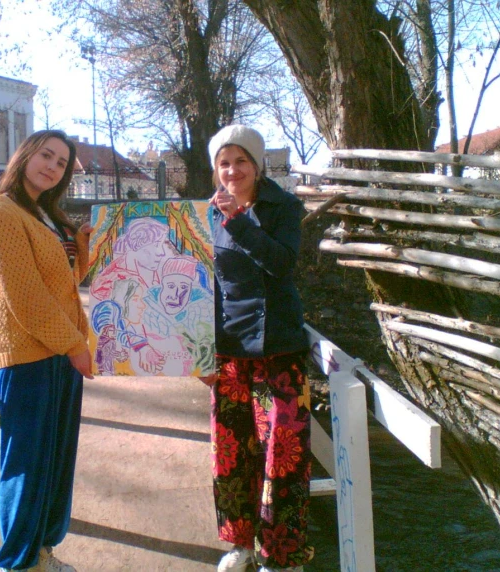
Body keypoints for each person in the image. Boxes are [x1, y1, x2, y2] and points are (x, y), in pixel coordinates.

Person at [0, 130, 93, 572]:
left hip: (59, 354)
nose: (52, 166)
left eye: (62, 162)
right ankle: (17, 562)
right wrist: (75, 346)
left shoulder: (45, 214)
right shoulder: (1, 212)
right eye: (46, 155)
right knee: (25, 463)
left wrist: (80, 246)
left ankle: (41, 551)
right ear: (25, 155)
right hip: (28, 356)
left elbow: (64, 283)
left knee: (55, 459)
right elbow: (25, 295)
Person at [203, 125, 314, 572]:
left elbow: (282, 264)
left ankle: (280, 555)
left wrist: (239, 222)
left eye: (241, 161)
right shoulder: (205, 214)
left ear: (258, 164)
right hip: (230, 351)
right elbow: (203, 283)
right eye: (224, 163)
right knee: (232, 451)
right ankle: (241, 544)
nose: (232, 171)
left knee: (283, 452)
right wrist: (201, 351)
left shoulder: (284, 206)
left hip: (279, 348)